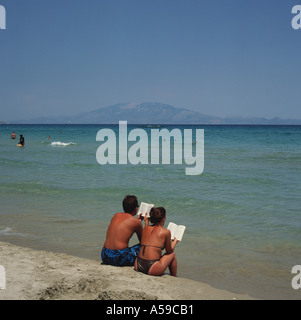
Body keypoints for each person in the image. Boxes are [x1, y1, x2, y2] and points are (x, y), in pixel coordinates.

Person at [134, 207, 178, 277]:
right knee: (172, 255)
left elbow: (149, 239)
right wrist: (175, 242)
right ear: (163, 218)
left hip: (138, 264)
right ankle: (174, 277)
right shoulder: (166, 232)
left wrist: (146, 222)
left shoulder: (145, 228)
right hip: (152, 267)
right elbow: (169, 251)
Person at [101, 195, 143, 267]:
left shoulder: (116, 215)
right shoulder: (136, 222)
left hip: (105, 255)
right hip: (119, 257)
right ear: (136, 209)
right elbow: (143, 241)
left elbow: (127, 222)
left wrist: (137, 221)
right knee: (145, 247)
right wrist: (143, 222)